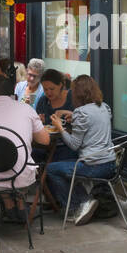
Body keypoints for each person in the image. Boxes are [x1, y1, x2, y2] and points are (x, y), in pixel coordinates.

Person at [44, 75, 115, 225]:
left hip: (93, 166)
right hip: (110, 164)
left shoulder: (81, 113)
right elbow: (93, 123)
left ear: (77, 93)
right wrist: (73, 117)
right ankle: (84, 202)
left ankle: (80, 204)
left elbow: (74, 144)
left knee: (51, 169)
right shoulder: (104, 107)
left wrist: (60, 128)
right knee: (65, 165)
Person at [0, 73, 50, 205]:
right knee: (17, 158)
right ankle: (20, 205)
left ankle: (9, 205)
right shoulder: (26, 109)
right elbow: (45, 140)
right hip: (22, 173)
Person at [33, 68, 76, 163]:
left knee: (56, 160)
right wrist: (39, 122)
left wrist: (73, 118)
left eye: (52, 89)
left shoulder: (73, 98)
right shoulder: (43, 101)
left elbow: (84, 122)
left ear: (60, 85)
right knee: (32, 154)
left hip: (68, 145)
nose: (48, 92)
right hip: (46, 144)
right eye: (45, 89)